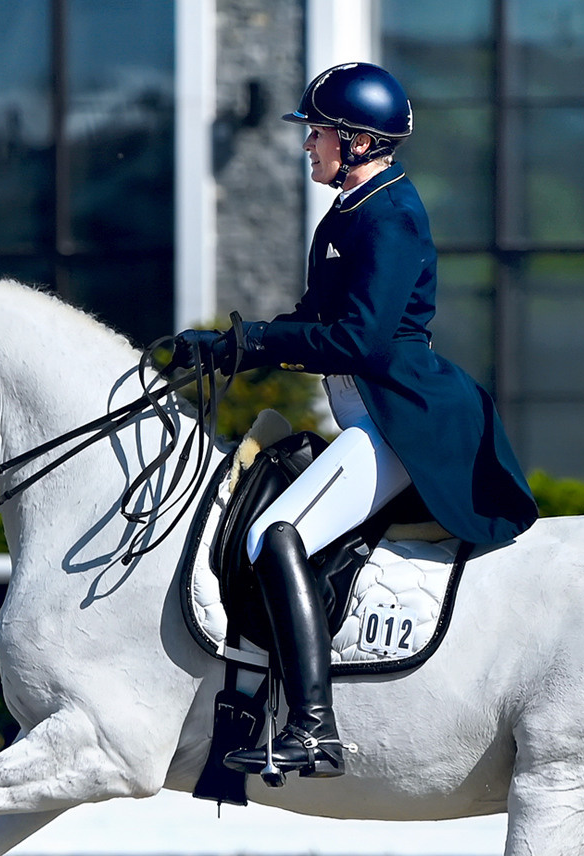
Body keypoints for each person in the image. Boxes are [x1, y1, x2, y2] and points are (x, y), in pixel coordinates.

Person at [180, 61, 537, 781]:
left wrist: (258, 342)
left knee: (274, 534)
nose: (308, 145)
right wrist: (227, 348)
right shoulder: (347, 212)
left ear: (355, 140)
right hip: (367, 419)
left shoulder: (391, 214)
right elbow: (316, 321)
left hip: (401, 423)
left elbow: (361, 342)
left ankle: (312, 729)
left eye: (317, 133)